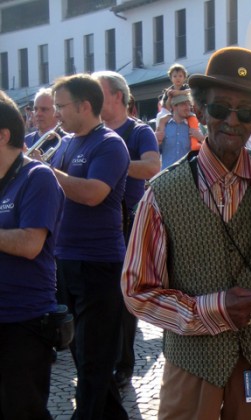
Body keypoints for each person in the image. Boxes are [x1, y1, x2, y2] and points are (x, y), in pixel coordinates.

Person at [121, 46, 251, 420]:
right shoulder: (161, 194)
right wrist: (214, 308)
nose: (232, 121)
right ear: (200, 111)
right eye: (220, 108)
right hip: (193, 365)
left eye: (247, 113)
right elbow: (137, 291)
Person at [49, 74, 130, 420]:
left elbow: (94, 193)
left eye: (61, 107)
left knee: (94, 358)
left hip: (99, 263)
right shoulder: (66, 143)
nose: (56, 115)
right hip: (65, 258)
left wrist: (46, 173)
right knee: (82, 356)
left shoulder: (109, 144)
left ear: (84, 105)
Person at [92, 70, 161, 388]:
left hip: (128, 219)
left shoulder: (138, 131)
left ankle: (125, 362)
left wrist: (113, 164)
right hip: (98, 220)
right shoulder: (94, 132)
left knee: (124, 293)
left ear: (117, 96)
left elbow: (152, 166)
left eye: (99, 92)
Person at [0, 91, 65, 420]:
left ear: (3, 135)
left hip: (23, 322)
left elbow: (29, 244)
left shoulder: (37, 177)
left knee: (23, 412)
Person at [160, 92, 203, 169]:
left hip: (187, 174)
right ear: (174, 106)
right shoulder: (164, 125)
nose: (188, 107)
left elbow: (207, 149)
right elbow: (155, 150)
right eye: (183, 104)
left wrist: (201, 138)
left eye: (189, 104)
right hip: (166, 175)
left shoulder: (194, 126)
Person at [25, 88, 65, 155]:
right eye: (35, 109)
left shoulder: (67, 140)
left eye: (44, 109)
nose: (38, 114)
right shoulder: (25, 141)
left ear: (57, 111)